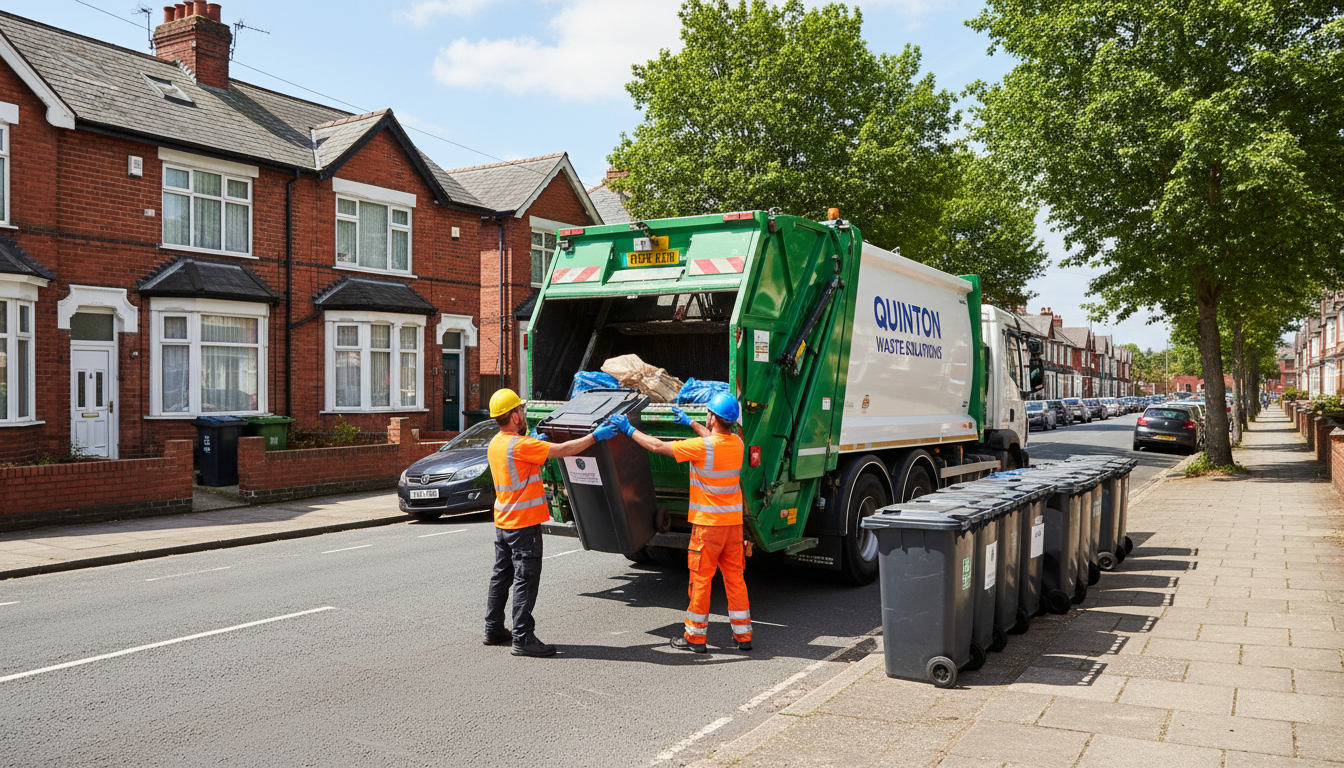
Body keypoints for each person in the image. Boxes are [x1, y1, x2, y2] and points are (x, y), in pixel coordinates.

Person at [607, 393, 752, 654]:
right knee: (735, 579)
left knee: (701, 580)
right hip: (733, 527)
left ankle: (695, 638)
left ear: (712, 417)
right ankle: (743, 636)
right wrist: (691, 424)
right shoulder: (738, 444)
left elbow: (656, 446)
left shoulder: (701, 448)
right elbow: (715, 440)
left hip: (708, 527)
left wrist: (629, 430)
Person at [485, 388, 618, 657]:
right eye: (520, 411)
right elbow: (561, 450)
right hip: (524, 525)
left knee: (502, 576)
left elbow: (524, 459)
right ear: (512, 416)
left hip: (503, 523)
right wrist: (594, 437)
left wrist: (534, 440)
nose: (523, 414)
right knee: (525, 578)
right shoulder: (522, 445)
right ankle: (522, 638)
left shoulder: (496, 444)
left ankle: (494, 628)